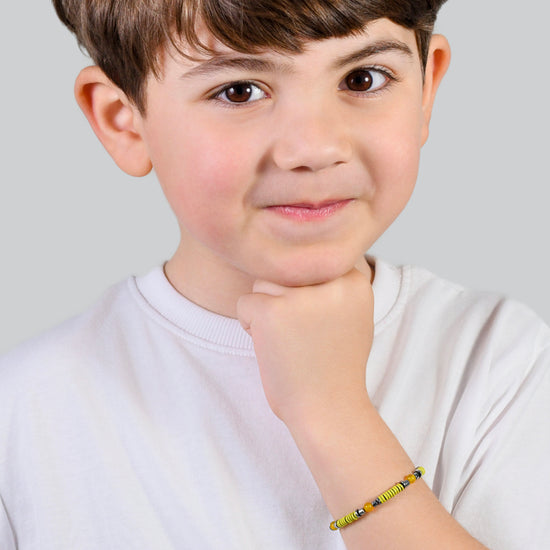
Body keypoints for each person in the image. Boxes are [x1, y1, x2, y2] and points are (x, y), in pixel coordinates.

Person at [1, 0, 548, 548]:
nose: (314, 148)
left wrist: (332, 414)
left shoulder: (504, 363)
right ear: (122, 120)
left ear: (426, 87)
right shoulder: (26, 413)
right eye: (238, 90)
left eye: (363, 78)